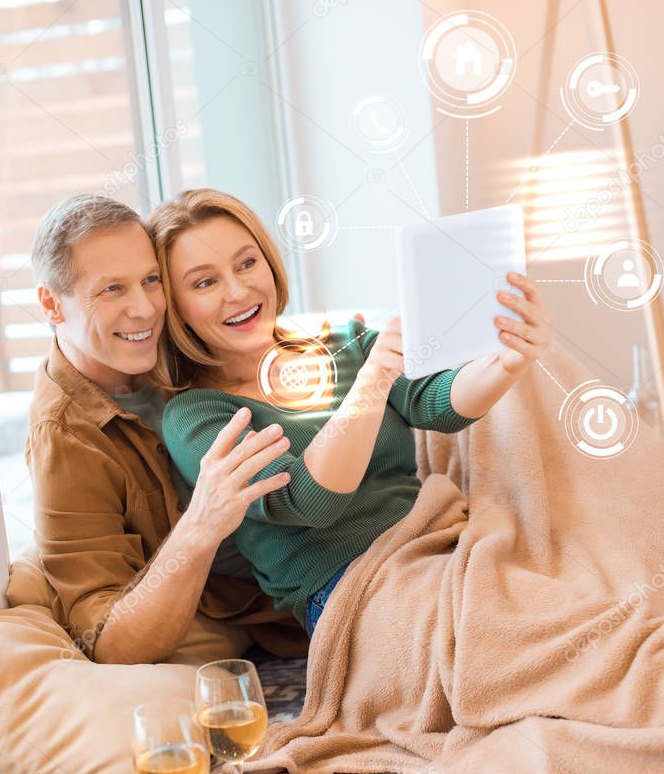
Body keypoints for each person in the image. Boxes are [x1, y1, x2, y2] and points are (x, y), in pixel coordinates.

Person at [149, 189, 551, 637]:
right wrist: (372, 381)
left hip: (436, 548)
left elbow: (436, 403)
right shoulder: (198, 415)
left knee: (563, 609)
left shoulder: (344, 340)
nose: (239, 291)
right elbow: (307, 501)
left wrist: (504, 365)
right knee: (503, 633)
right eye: (205, 282)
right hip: (350, 594)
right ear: (176, 307)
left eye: (247, 263)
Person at [29, 194, 309, 665]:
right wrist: (202, 524)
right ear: (51, 304)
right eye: (111, 290)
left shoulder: (178, 337)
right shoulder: (66, 440)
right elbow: (108, 641)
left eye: (150, 280)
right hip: (283, 604)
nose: (144, 310)